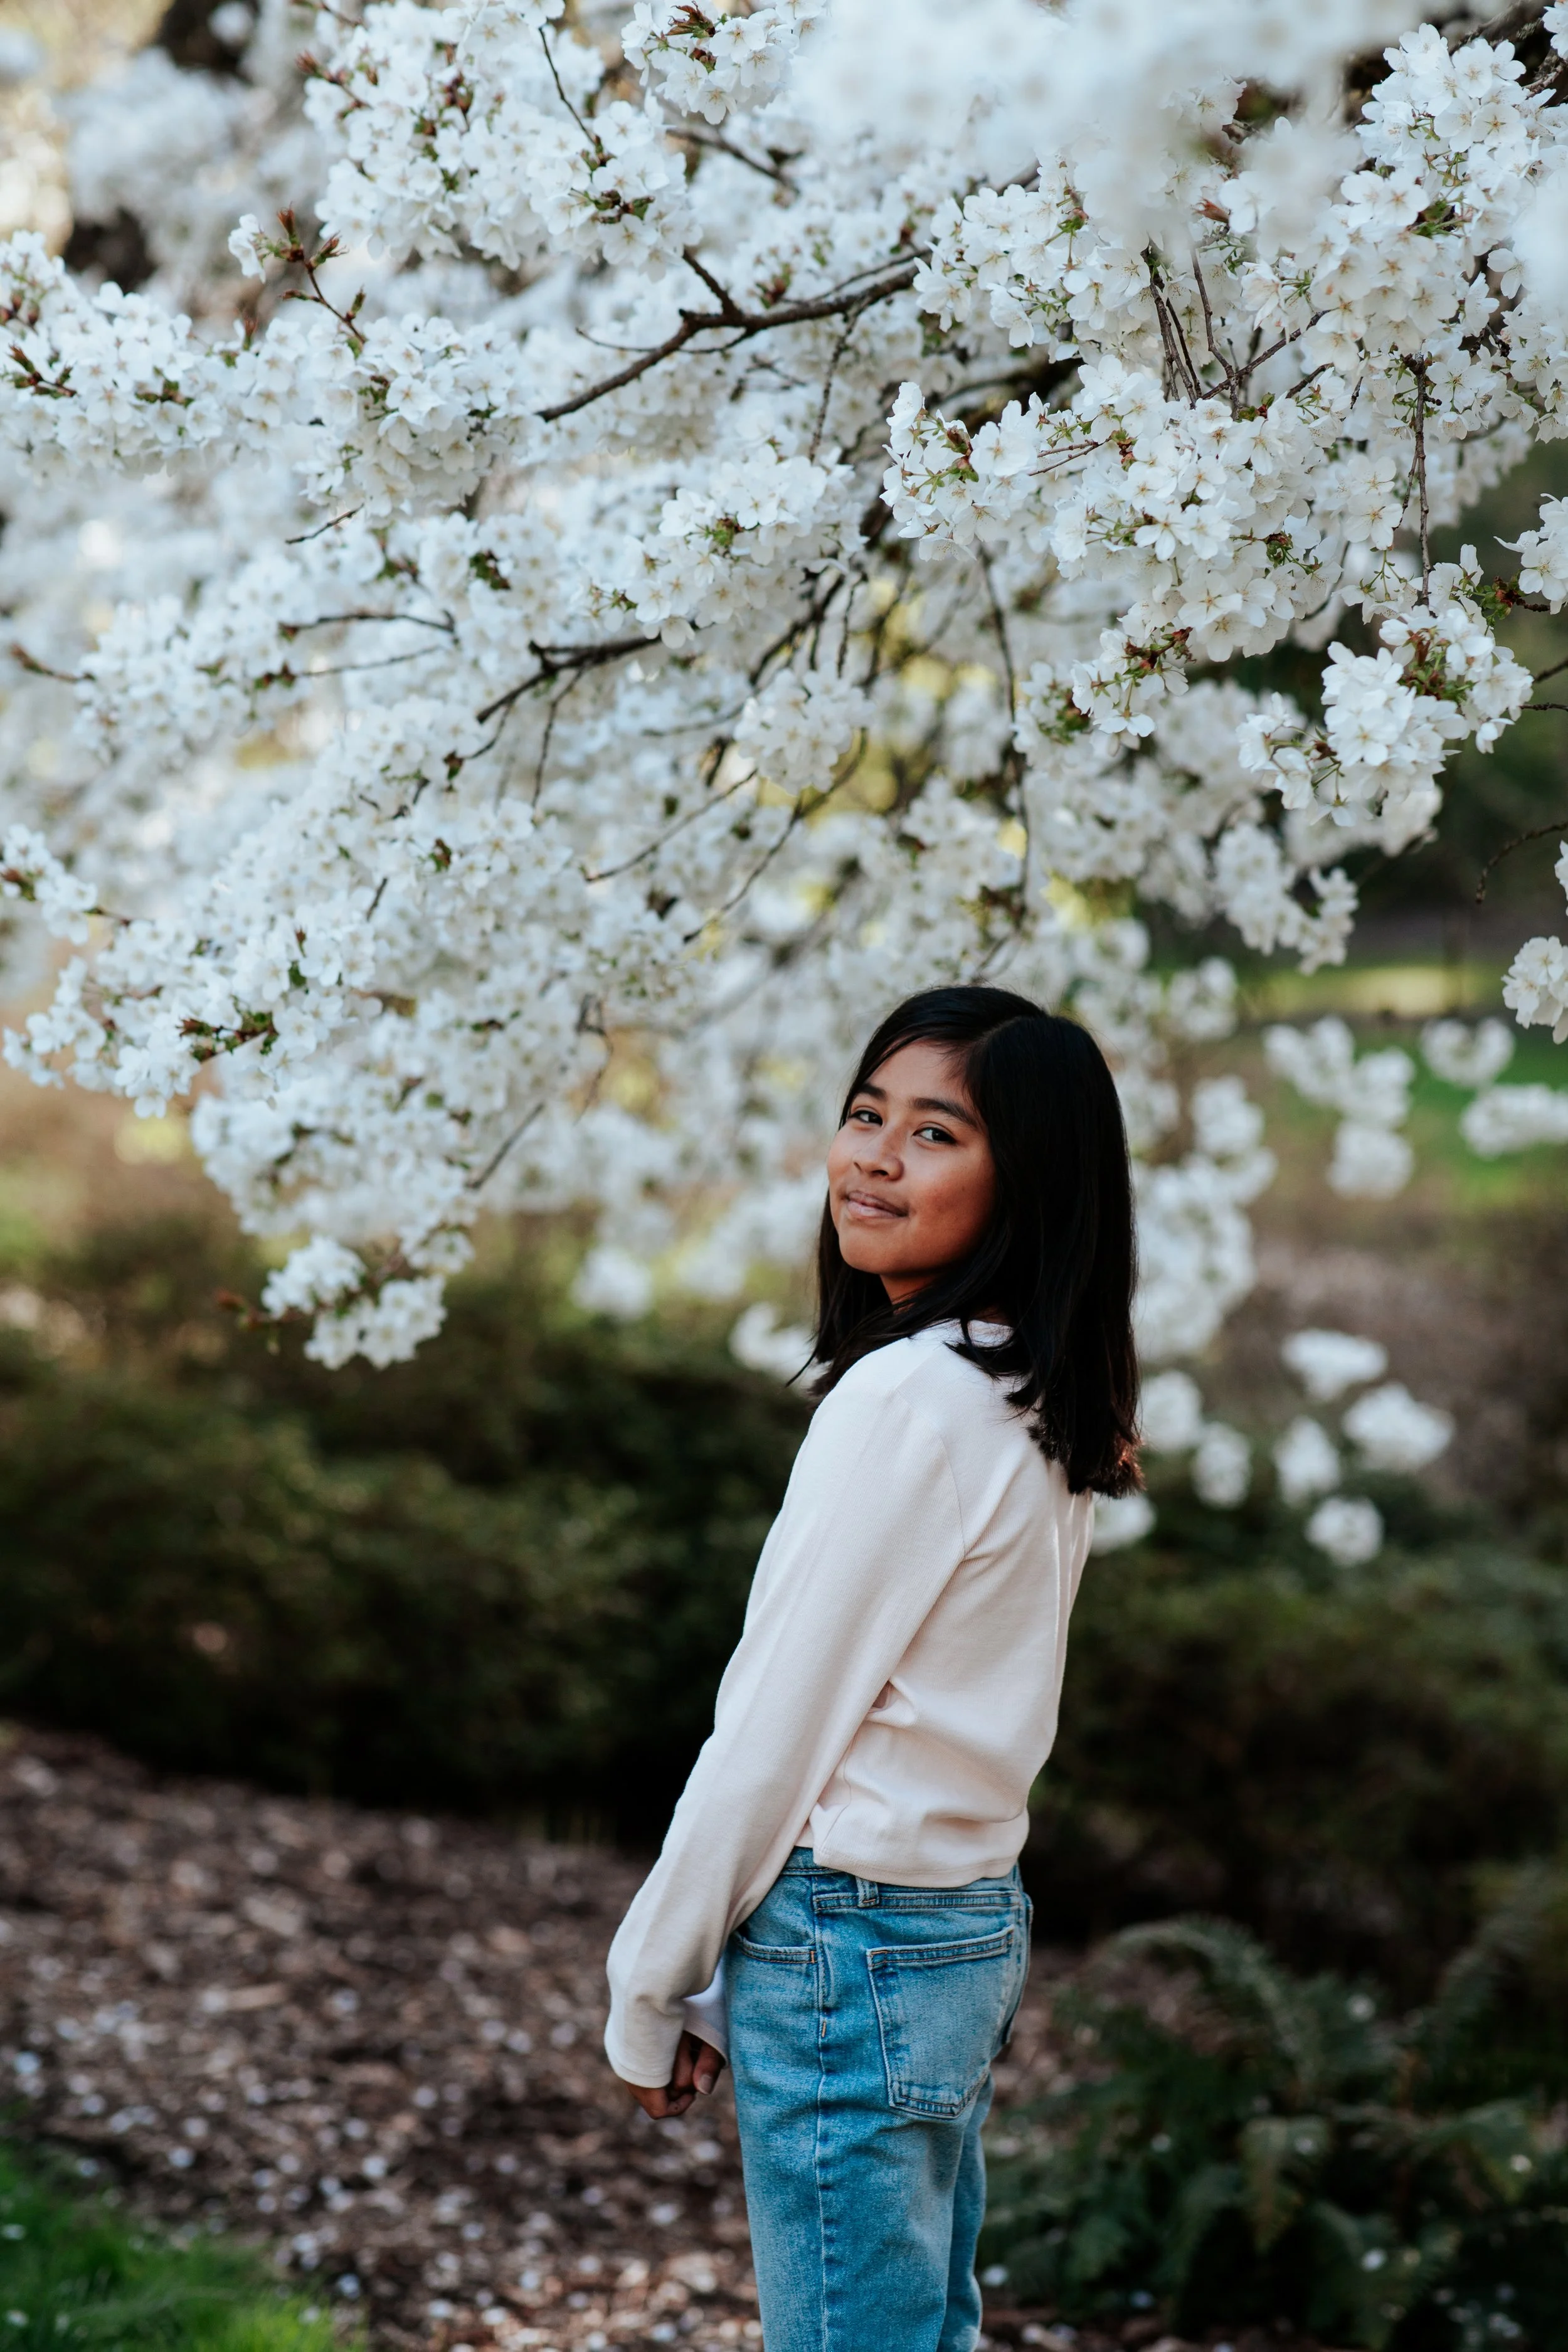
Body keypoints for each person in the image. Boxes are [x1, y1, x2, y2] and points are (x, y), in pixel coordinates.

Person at [603, 985, 1140, 2352]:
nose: (871, 1158)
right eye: (863, 1115)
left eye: (934, 1133)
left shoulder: (904, 1400)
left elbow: (773, 1733)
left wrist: (652, 1979)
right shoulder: (1030, 1397)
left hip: (852, 1945)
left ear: (1025, 1182)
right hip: (955, 1928)